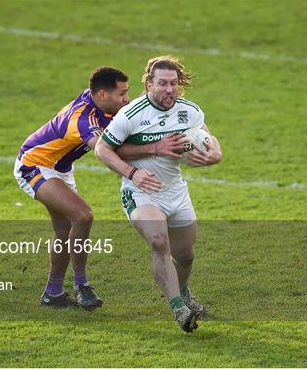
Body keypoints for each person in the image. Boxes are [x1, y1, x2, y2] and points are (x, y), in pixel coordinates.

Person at [95, 56, 223, 332]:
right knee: (158, 241)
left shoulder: (189, 111)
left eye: (173, 83)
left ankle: (183, 291)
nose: (169, 89)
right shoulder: (131, 115)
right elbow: (102, 150)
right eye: (162, 83)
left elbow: (206, 137)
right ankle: (179, 308)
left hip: (176, 191)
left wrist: (215, 154)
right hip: (141, 193)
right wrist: (132, 173)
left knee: (186, 255)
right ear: (149, 84)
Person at [13, 67, 130, 310]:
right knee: (82, 215)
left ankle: (52, 293)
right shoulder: (83, 119)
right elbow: (103, 150)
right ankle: (81, 285)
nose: (126, 99)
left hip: (60, 168)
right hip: (34, 164)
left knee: (64, 229)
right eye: (121, 94)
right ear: (101, 94)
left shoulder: (100, 104)